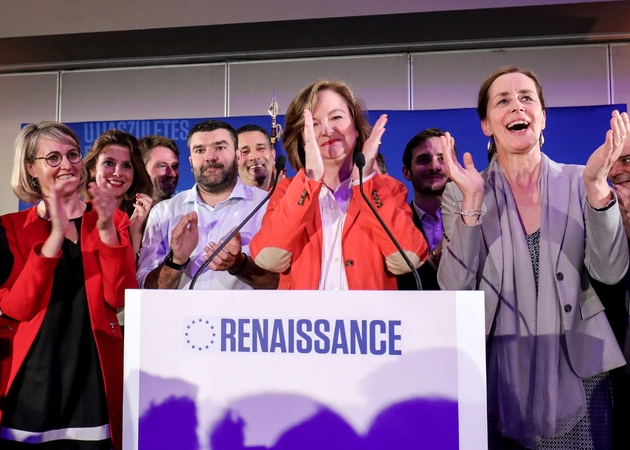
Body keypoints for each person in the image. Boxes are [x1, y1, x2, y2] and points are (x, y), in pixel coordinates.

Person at [438, 65, 630, 449]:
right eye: (503, 101)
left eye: (527, 98)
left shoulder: (581, 181)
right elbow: (454, 289)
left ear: (542, 117)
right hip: (498, 379)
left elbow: (611, 272)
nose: (516, 107)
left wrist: (597, 189)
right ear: (486, 125)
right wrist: (473, 205)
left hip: (581, 374)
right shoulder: (462, 193)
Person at [0, 121, 137, 449]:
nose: (67, 164)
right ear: (31, 168)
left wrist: (105, 230)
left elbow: (120, 296)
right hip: (32, 382)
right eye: (53, 158)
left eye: (73, 154)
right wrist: (55, 236)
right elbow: (16, 307)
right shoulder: (11, 227)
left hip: (92, 380)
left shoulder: (111, 218)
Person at [250, 78, 427, 290]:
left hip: (368, 321)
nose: (327, 130)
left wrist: (366, 183)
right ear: (301, 139)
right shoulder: (287, 191)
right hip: (303, 321)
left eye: (336, 117)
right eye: (313, 124)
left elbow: (408, 259)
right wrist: (310, 180)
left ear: (357, 129)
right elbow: (267, 258)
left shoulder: (387, 189)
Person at [137, 120, 278, 290]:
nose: (210, 157)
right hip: (179, 317)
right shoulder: (163, 213)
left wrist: (240, 265)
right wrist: (176, 262)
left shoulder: (268, 207)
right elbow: (145, 291)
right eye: (200, 150)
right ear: (191, 161)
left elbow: (286, 285)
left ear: (238, 156)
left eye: (220, 147)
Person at [397, 128, 452, 290]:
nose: (434, 166)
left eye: (442, 159)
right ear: (406, 172)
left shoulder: (473, 219)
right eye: (423, 159)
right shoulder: (395, 226)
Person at [84, 129, 153, 255]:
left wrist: (134, 233)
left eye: (126, 165)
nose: (117, 173)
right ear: (92, 170)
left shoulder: (149, 222)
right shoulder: (78, 218)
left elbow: (132, 274)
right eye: (109, 163)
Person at [139, 135, 180, 203]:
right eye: (162, 166)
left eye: (174, 166)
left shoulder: (187, 211)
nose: (172, 174)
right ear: (141, 169)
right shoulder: (120, 211)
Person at [236, 124, 276, 191]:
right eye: (245, 151)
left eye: (261, 148)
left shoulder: (293, 196)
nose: (254, 157)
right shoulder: (224, 200)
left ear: (273, 155)